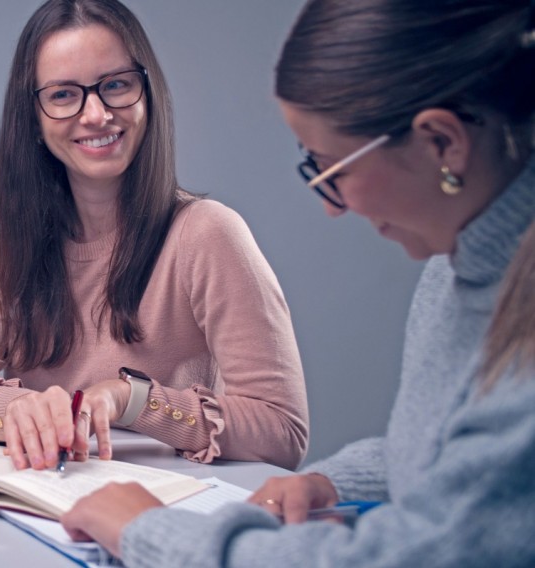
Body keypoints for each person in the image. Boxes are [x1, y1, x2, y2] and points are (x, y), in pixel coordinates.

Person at [59, 0, 535, 565]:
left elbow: (431, 551)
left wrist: (149, 533)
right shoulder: (450, 274)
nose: (334, 208)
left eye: (333, 169)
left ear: (443, 143)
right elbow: (454, 462)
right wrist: (335, 482)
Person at [0, 0, 310, 471]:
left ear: (147, 93)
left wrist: (133, 400)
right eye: (64, 95)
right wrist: (21, 409)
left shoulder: (208, 232)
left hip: (164, 504)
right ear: (33, 116)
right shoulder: (2, 231)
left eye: (115, 86)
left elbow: (283, 429)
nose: (96, 114)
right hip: (46, 490)